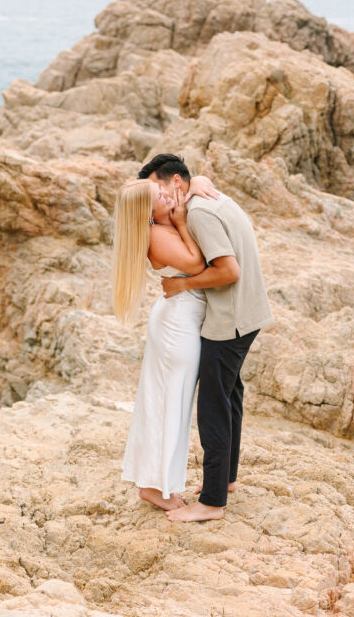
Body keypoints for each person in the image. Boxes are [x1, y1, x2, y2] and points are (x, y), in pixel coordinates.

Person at [141, 154, 273, 523]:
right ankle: (225, 479)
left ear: (177, 184)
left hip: (228, 318)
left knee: (213, 406)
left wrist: (182, 283)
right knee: (230, 394)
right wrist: (196, 179)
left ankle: (213, 502)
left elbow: (228, 271)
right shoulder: (208, 199)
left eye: (161, 189)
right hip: (248, 312)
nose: (162, 199)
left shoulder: (198, 213)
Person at [112, 174, 218, 511]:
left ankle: (160, 483)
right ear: (148, 208)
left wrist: (197, 180)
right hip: (177, 325)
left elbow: (186, 180)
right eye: (158, 194)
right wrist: (184, 222)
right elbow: (198, 264)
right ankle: (154, 487)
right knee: (168, 404)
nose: (165, 192)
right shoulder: (157, 234)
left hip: (183, 319)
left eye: (161, 187)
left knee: (172, 403)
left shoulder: (162, 224)